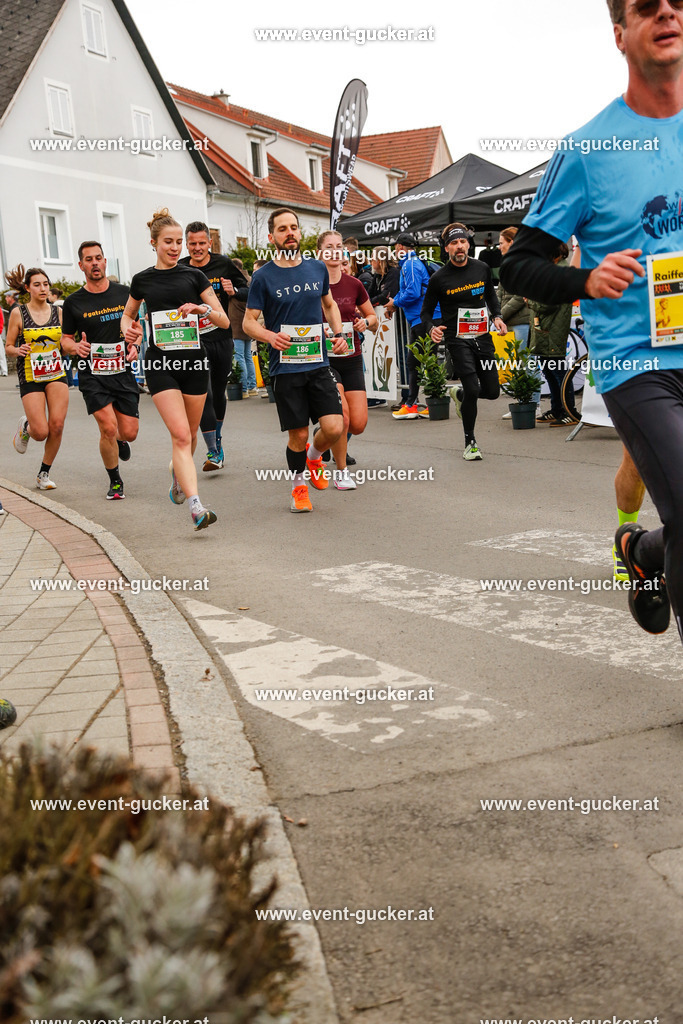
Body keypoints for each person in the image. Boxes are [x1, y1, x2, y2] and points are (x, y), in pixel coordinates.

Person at [500, 0, 683, 640]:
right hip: (637, 362)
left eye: (678, 3)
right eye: (647, 6)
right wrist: (585, 279)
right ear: (620, 33)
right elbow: (517, 268)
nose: (667, 12)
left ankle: (647, 552)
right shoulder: (588, 149)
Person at [121, 208, 229, 531]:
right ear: (153, 243)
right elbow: (128, 316)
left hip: (194, 363)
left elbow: (222, 319)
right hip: (161, 364)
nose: (176, 247)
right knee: (181, 435)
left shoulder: (194, 276)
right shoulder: (142, 280)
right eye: (168, 241)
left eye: (179, 242)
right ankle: (196, 507)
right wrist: (129, 330)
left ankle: (178, 477)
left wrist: (202, 308)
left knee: (191, 435)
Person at [243, 207, 346, 513]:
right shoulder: (263, 277)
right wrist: (269, 336)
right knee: (298, 433)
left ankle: (314, 456)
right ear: (272, 236)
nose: (290, 233)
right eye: (283, 229)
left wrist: (338, 332)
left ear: (300, 233)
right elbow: (249, 322)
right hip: (285, 367)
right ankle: (299, 487)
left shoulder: (316, 269)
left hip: (319, 363)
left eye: (294, 227)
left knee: (334, 427)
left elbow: (329, 304)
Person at [60, 241, 139, 500]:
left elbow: (136, 328)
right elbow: (65, 339)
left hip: (122, 370)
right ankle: (115, 481)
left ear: (105, 261)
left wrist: (135, 344)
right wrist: (75, 348)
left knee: (128, 432)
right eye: (89, 259)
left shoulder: (125, 293)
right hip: (91, 373)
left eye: (98, 258)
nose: (95, 263)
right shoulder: (73, 302)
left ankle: (120, 439)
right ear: (80, 265)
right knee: (107, 426)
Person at [422, 223, 506, 461]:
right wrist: (431, 329)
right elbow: (425, 312)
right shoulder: (439, 278)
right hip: (457, 340)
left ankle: (459, 395)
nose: (459, 247)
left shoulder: (482, 268)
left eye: (462, 242)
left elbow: (490, 294)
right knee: (473, 387)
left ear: (468, 244)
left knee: (491, 391)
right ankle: (470, 442)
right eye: (454, 243)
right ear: (447, 247)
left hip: (482, 337)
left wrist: (497, 316)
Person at [179, 222, 247, 470]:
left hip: (221, 336)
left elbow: (249, 290)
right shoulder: (180, 268)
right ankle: (213, 452)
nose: (197, 248)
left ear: (209, 243)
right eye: (192, 243)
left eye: (201, 243)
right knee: (203, 392)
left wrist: (235, 290)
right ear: (187, 244)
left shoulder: (224, 264)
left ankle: (217, 439)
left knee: (218, 392)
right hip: (193, 340)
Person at [317, 230, 378, 489]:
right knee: (341, 415)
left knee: (358, 423)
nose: (334, 250)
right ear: (319, 252)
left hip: (351, 357)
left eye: (339, 246)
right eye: (328, 246)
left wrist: (366, 322)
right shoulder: (312, 284)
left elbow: (374, 319)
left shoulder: (354, 284)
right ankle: (341, 472)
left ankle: (321, 440)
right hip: (324, 359)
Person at [4, 265, 68, 489]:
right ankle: (27, 427)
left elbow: (66, 344)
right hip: (30, 374)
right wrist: (17, 350)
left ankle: (44, 474)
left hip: (56, 373)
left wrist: (75, 346)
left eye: (45, 284)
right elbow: (9, 346)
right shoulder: (18, 313)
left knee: (57, 425)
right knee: (41, 432)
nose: (43, 288)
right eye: (37, 284)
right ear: (28, 288)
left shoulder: (58, 312)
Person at [528, 242, 580, 426]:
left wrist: (530, 300)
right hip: (546, 328)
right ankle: (557, 409)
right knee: (550, 370)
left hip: (552, 329)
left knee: (559, 372)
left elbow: (547, 303)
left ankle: (569, 412)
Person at [386, 232, 436, 420]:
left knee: (416, 362)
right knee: (417, 362)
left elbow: (413, 292)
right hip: (421, 317)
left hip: (423, 318)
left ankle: (414, 404)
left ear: (400, 247)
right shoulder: (411, 263)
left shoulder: (410, 264)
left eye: (395, 247)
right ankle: (417, 403)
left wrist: (395, 302)